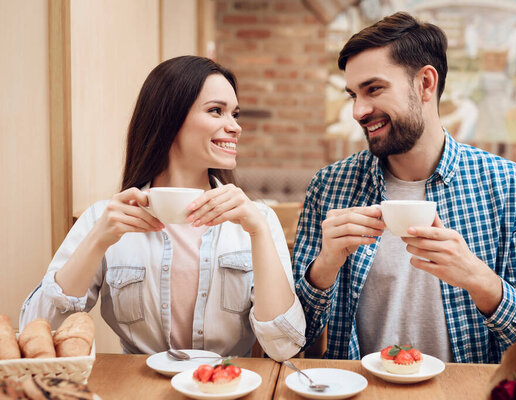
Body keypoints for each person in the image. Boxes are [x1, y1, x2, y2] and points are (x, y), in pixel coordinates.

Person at [293, 12, 516, 363]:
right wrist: (324, 268)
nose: (359, 111)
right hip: (358, 389)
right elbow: (291, 335)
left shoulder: (511, 187)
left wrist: (480, 280)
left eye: (373, 89)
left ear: (425, 84)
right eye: (353, 95)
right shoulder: (330, 187)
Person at [21, 56, 306, 361]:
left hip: (230, 386)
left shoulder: (258, 220)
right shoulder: (105, 218)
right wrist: (97, 240)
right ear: (169, 118)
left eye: (234, 114)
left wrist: (258, 231)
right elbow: (37, 332)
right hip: (139, 387)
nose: (235, 127)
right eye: (216, 111)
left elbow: (284, 346)